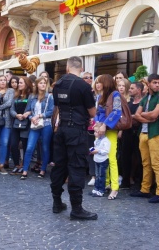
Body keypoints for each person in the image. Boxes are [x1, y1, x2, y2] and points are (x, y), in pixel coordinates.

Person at [50, 56, 97, 220]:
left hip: (61, 129)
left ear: (67, 68)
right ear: (81, 68)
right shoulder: (83, 86)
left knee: (59, 166)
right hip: (76, 131)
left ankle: (57, 202)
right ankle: (76, 209)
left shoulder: (57, 85)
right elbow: (92, 113)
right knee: (76, 167)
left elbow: (57, 106)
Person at [131, 73, 159, 203]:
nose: (157, 85)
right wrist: (148, 118)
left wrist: (144, 115)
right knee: (145, 163)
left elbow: (155, 114)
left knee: (156, 164)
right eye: (154, 83)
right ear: (149, 83)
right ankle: (145, 189)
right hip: (144, 133)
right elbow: (136, 115)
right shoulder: (145, 98)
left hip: (155, 134)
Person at [93, 74, 122, 200]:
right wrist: (97, 124)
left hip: (110, 130)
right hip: (101, 130)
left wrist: (104, 124)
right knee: (101, 157)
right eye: (97, 82)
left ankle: (115, 187)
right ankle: (105, 183)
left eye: (100, 82)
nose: (97, 84)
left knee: (111, 158)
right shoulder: (100, 96)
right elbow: (97, 113)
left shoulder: (115, 94)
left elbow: (117, 111)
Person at [20, 77, 54, 179]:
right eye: (41, 83)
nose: (43, 85)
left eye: (45, 83)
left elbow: (51, 111)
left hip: (46, 124)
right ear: (37, 85)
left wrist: (39, 116)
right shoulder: (32, 96)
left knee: (44, 147)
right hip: (34, 125)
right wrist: (31, 118)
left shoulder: (50, 97)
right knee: (30, 147)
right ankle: (25, 170)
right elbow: (28, 110)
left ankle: (43, 170)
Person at [120, 82, 143, 190]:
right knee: (125, 157)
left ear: (139, 90)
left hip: (138, 132)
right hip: (127, 131)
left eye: (132, 88)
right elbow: (123, 117)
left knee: (139, 157)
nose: (129, 90)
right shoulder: (128, 103)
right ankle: (125, 181)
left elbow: (140, 117)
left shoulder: (143, 103)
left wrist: (132, 117)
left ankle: (140, 182)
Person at [9, 76, 33, 174]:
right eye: (19, 83)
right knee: (13, 145)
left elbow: (33, 108)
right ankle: (16, 165)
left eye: (21, 83)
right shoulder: (16, 96)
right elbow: (11, 109)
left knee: (25, 145)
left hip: (26, 124)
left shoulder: (31, 96)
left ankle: (24, 165)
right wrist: (16, 115)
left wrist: (27, 114)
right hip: (16, 123)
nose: (19, 84)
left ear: (27, 84)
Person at [89, 127, 111, 197]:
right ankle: (96, 188)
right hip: (96, 159)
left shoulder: (106, 141)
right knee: (97, 175)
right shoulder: (96, 140)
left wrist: (98, 151)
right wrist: (91, 150)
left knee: (101, 176)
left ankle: (101, 190)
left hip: (103, 160)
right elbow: (94, 147)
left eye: (96, 131)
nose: (94, 133)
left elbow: (106, 151)